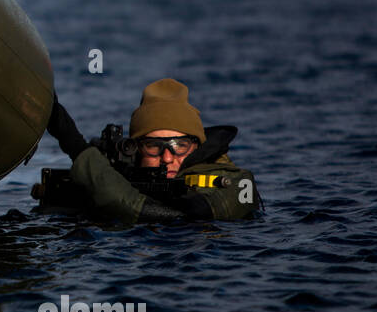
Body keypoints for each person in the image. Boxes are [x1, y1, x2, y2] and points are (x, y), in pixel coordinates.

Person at [45, 77, 261, 222]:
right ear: (137, 148)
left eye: (179, 146)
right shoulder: (127, 173)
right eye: (153, 146)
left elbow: (182, 217)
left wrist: (73, 144)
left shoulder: (235, 181)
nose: (167, 157)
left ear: (197, 145)